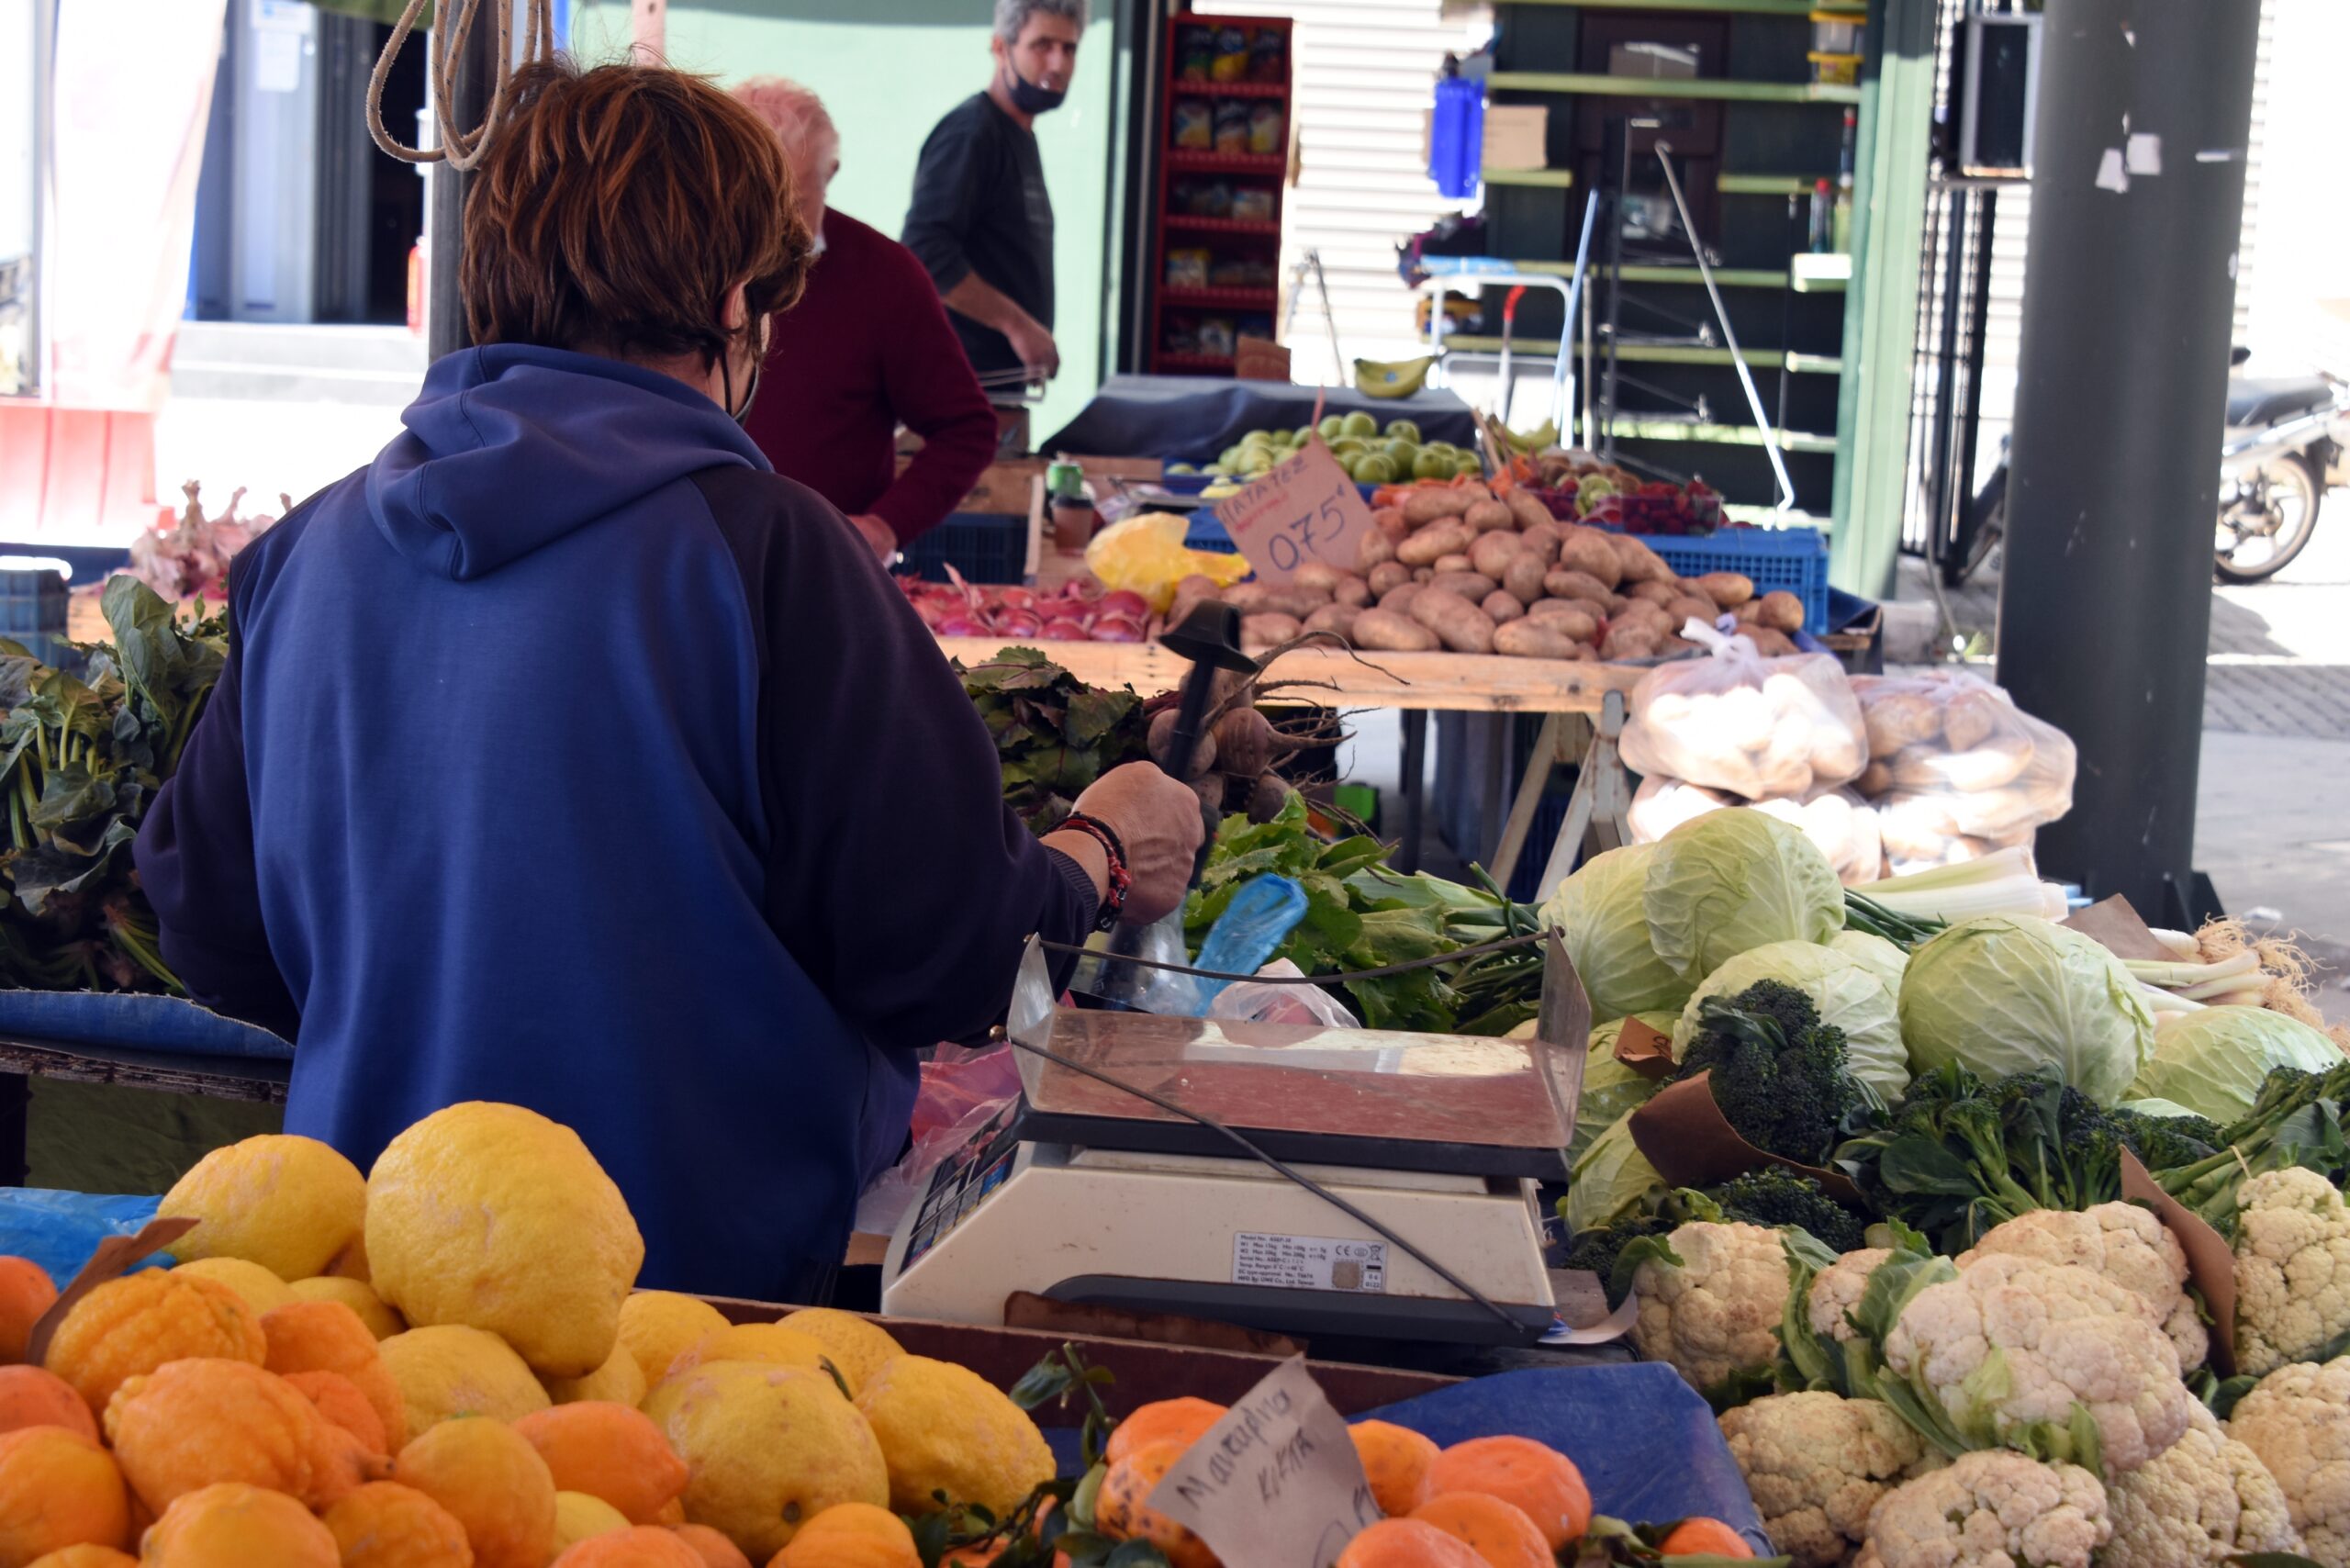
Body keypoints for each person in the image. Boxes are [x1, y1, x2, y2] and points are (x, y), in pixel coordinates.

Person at [130, 60, 1201, 1304]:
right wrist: (1099, 849)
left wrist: (413, 1010)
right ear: (739, 303)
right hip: (682, 1309)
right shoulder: (769, 553)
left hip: (371, 1286)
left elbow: (206, 925)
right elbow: (951, 955)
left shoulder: (304, 554)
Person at [732, 79, 998, 562]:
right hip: (700, 563)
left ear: (829, 174)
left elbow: (966, 428)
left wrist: (885, 525)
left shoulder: (885, 275)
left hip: (829, 574)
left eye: (791, 207)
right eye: (749, 207)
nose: (769, 234)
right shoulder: (679, 269)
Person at [902, 0, 1084, 389]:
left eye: (1069, 49)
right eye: (1042, 45)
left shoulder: (1018, 135)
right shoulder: (972, 134)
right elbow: (924, 250)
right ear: (1001, 47)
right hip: (962, 392)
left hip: (1004, 393)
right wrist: (1017, 325)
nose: (1057, 63)